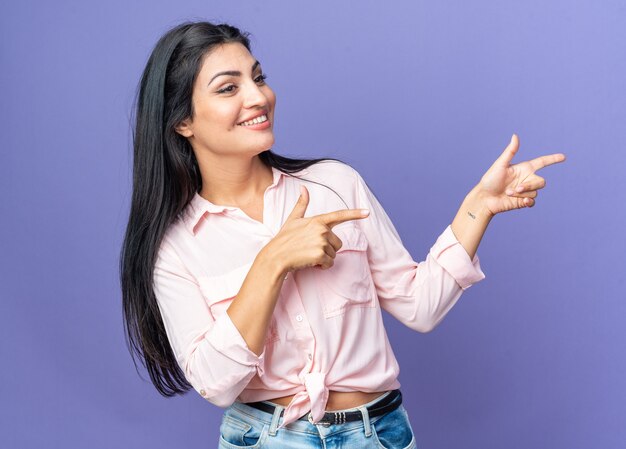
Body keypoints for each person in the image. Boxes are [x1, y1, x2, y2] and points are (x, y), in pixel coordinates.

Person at [120, 20, 566, 448]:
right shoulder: (175, 248)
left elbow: (420, 306)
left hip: (379, 434)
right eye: (229, 88)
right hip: (265, 440)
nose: (259, 97)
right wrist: (273, 262)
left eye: (259, 78)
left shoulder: (334, 184)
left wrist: (478, 208)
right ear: (183, 122)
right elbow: (216, 385)